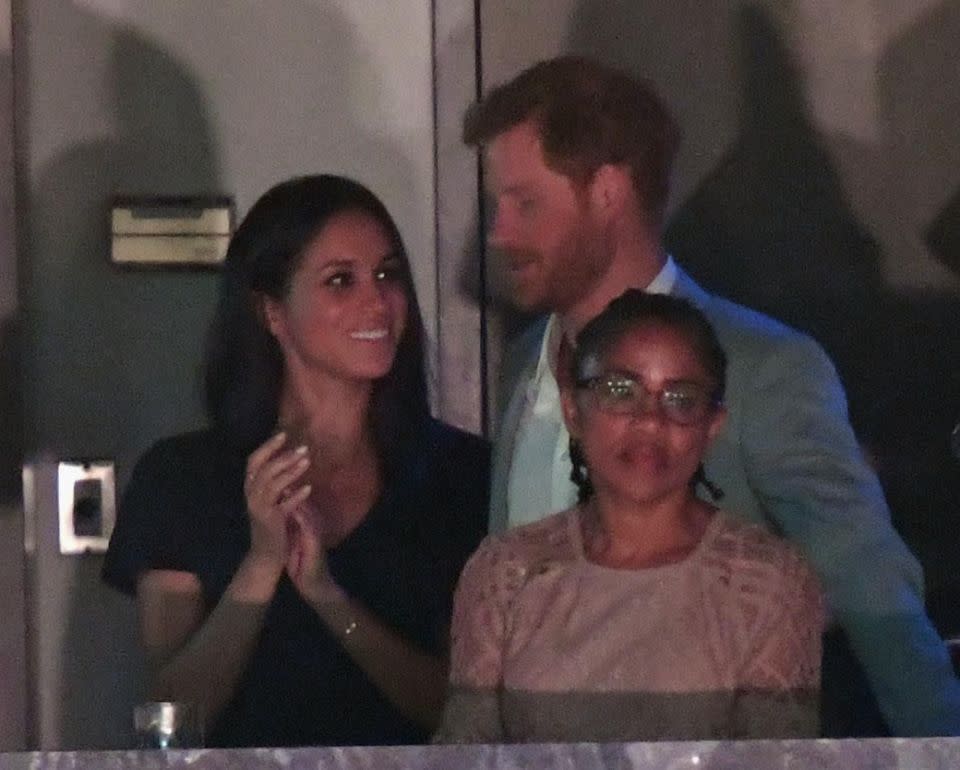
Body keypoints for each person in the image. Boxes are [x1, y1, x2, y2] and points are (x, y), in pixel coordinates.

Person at [464, 55, 960, 736]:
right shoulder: (525, 365)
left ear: (608, 192)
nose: (499, 234)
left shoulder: (763, 370)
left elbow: (877, 602)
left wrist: (939, 748)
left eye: (525, 203)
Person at [102, 174, 489, 747]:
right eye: (341, 280)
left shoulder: (461, 473)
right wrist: (261, 565)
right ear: (272, 312)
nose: (377, 301)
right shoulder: (182, 478)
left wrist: (329, 598)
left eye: (388, 274)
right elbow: (173, 717)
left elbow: (463, 714)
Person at [437, 290, 824, 742]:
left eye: (680, 399)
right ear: (572, 411)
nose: (650, 422)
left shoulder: (765, 583)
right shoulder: (505, 575)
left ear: (711, 427)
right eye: (621, 392)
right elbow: (466, 754)